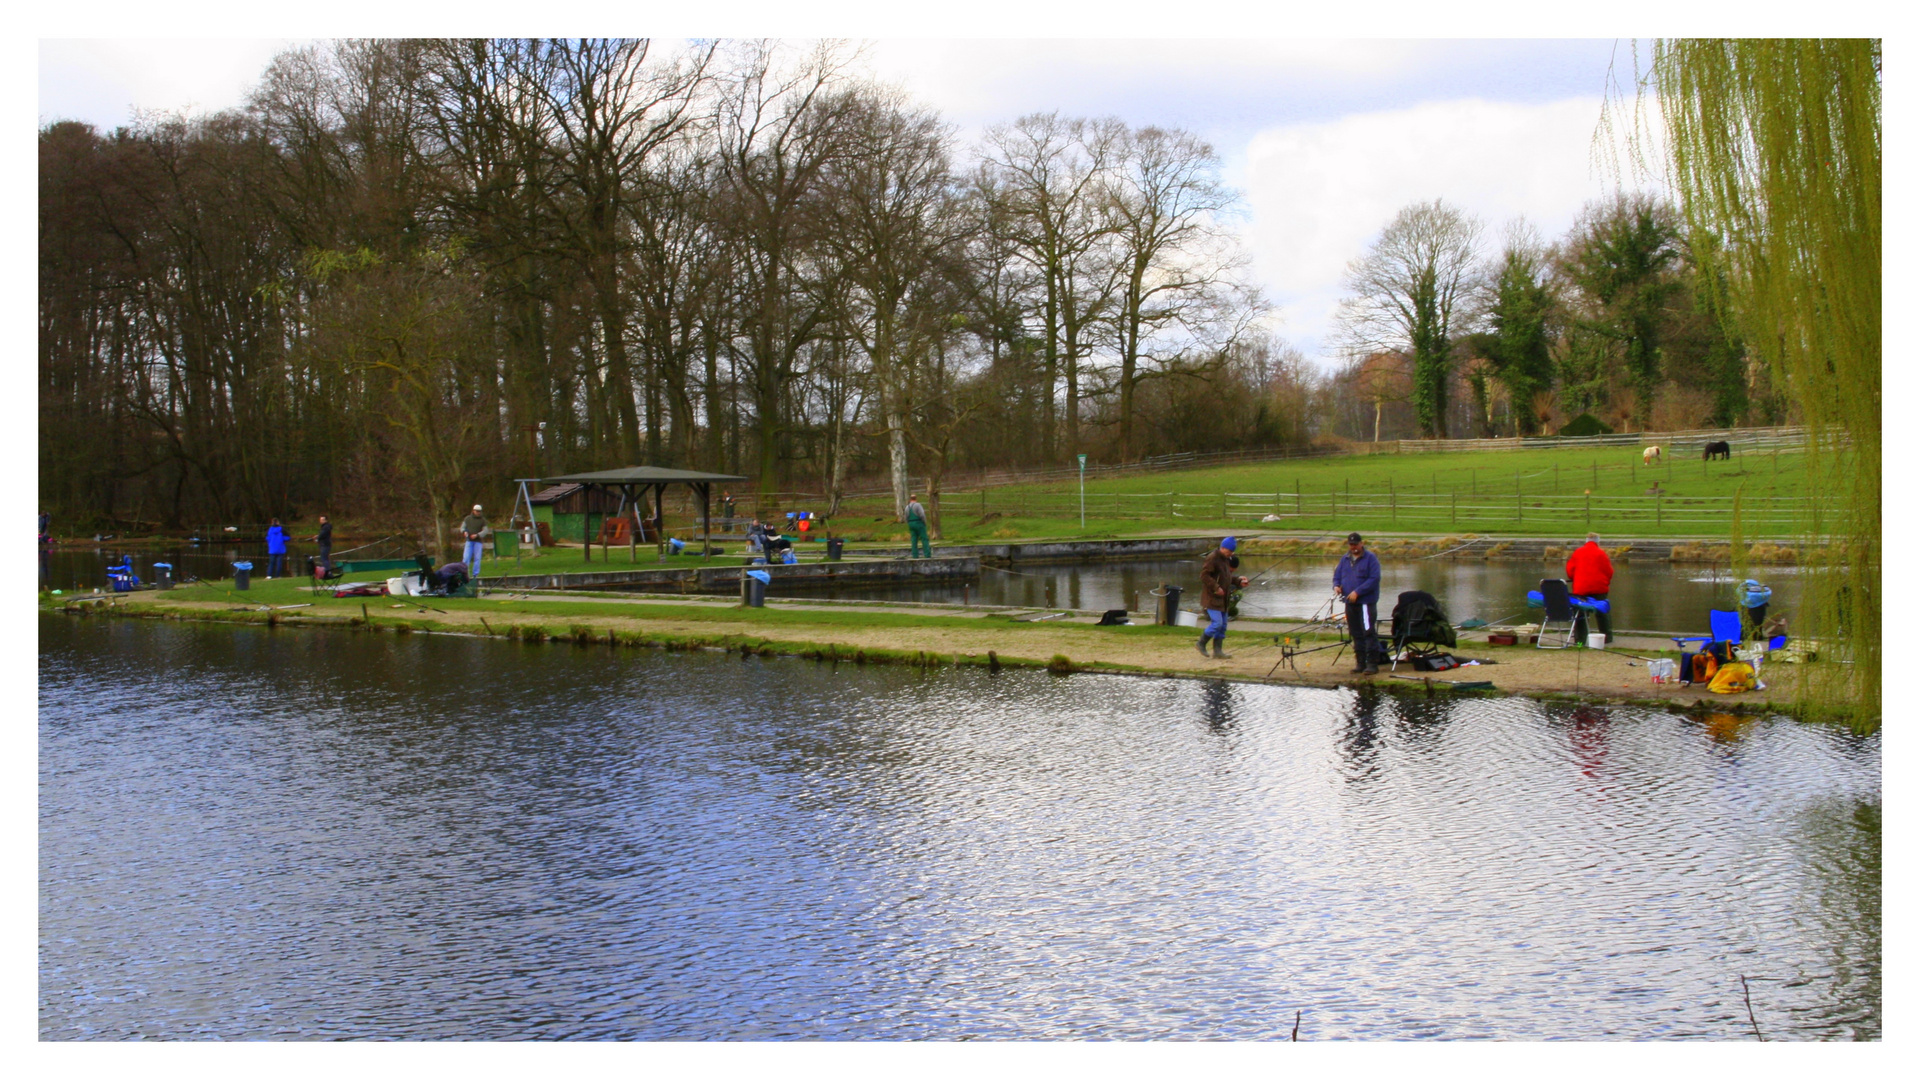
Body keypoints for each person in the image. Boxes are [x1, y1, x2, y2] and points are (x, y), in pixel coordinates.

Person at [1333, 531, 1382, 675]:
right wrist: (1336, 586)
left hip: (1366, 602)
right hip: (1349, 602)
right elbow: (1337, 576)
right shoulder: (1345, 559)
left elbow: (1374, 579)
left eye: (1356, 544)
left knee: (1368, 631)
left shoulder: (1371, 559)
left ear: (1362, 544)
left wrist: (1358, 592)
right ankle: (1360, 663)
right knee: (1355, 632)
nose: (1353, 547)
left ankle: (1372, 664)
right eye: (1351, 544)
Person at [1197, 536, 1248, 659]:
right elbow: (1204, 576)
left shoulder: (1225, 559)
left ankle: (1218, 651)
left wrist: (1238, 581)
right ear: (1223, 548)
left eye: (1232, 551)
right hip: (1212, 598)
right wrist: (1216, 588)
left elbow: (1227, 577)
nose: (1232, 554)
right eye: (1230, 551)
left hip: (1223, 600)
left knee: (1223, 625)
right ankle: (1201, 643)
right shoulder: (1213, 558)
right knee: (1217, 624)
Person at [1565, 531, 1615, 644]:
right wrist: (1606, 582)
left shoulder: (1578, 552)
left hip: (1581, 588)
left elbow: (1570, 571)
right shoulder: (1601, 553)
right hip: (1599, 587)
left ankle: (1580, 639)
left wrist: (1577, 578)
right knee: (1602, 611)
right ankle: (1606, 637)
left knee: (1581, 613)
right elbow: (1609, 571)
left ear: (1586, 541)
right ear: (1598, 542)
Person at [461, 504, 488, 577]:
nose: (478, 513)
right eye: (477, 511)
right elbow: (462, 528)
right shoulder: (467, 519)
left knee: (477, 558)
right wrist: (464, 532)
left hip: (478, 541)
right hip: (469, 541)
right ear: (473, 511)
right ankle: (464, 573)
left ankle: (475, 575)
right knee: (466, 558)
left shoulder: (483, 520)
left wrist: (477, 535)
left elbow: (485, 531)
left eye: (479, 511)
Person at [906, 494, 932, 559]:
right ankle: (927, 554)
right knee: (924, 538)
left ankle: (915, 555)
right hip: (918, 523)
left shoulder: (907, 507)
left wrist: (909, 523)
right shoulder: (918, 505)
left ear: (910, 499)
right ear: (916, 499)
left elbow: (906, 517)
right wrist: (924, 522)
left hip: (911, 523)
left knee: (914, 539)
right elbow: (922, 514)